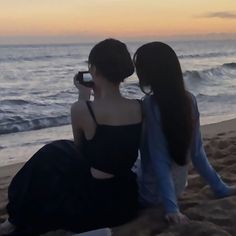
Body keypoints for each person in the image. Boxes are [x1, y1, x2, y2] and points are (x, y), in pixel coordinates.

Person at [0, 38, 142, 236]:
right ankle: (15, 219)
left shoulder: (82, 109)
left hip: (93, 204)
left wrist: (83, 95)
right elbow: (108, 145)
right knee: (57, 149)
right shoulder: (139, 107)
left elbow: (82, 149)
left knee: (50, 154)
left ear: (93, 69)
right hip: (125, 200)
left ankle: (14, 219)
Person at [133, 42, 236, 224]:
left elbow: (159, 159)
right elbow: (197, 153)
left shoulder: (149, 105)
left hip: (152, 195)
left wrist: (172, 209)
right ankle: (219, 188)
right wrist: (220, 188)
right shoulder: (189, 100)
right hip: (179, 187)